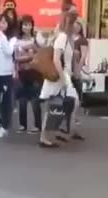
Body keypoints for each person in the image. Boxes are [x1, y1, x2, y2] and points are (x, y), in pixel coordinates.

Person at [39, 5, 79, 148]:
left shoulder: (64, 37)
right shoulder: (62, 37)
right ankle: (46, 136)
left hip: (61, 75)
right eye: (73, 23)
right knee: (56, 105)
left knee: (61, 104)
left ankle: (51, 134)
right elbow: (57, 59)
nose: (75, 27)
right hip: (59, 75)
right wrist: (63, 78)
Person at [15, 14, 42, 134]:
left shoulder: (36, 38)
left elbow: (41, 54)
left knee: (35, 99)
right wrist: (28, 56)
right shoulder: (16, 40)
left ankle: (37, 125)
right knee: (22, 100)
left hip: (34, 72)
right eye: (25, 25)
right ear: (21, 26)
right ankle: (22, 124)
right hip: (21, 72)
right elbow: (16, 57)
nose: (27, 27)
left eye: (29, 25)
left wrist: (32, 49)